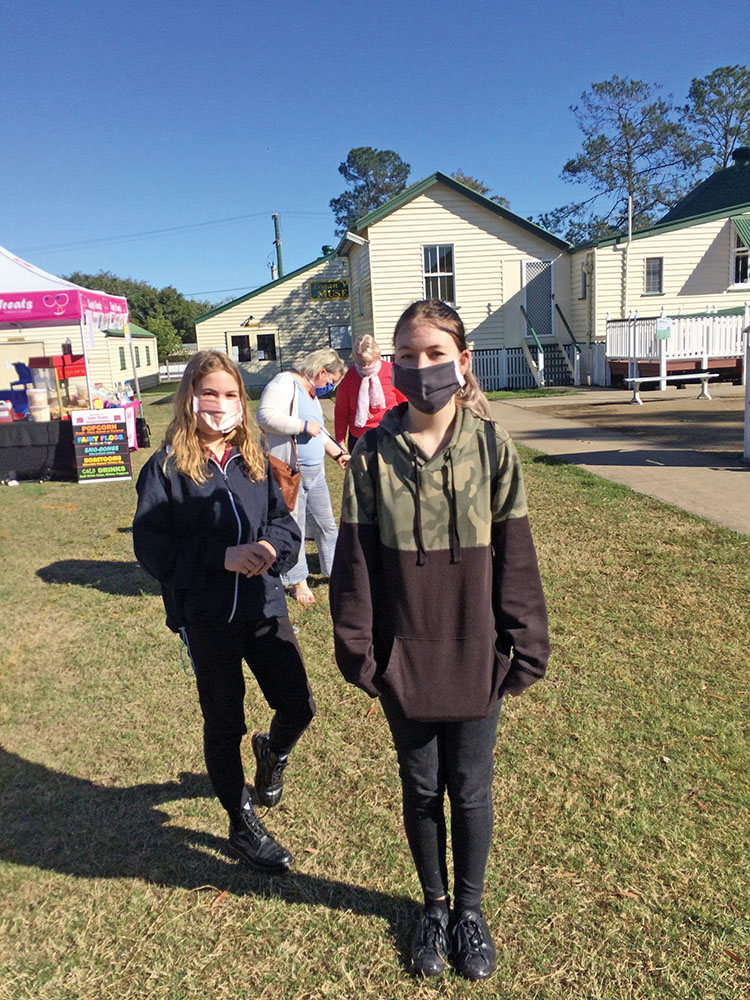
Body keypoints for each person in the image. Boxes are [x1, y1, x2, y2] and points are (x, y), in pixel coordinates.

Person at [330, 301, 549, 981]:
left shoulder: (492, 448)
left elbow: (515, 553)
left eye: (434, 353)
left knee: (471, 786)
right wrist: (361, 652)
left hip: (475, 651)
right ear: (392, 365)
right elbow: (355, 561)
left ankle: (471, 914)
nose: (421, 367)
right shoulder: (369, 456)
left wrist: (524, 644)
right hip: (405, 655)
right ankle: (433, 906)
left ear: (462, 361)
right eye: (407, 355)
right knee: (421, 785)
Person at [133, 350, 315, 873]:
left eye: (230, 394)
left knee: (298, 704)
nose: (220, 403)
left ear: (242, 400)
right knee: (224, 719)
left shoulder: (253, 458)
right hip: (206, 616)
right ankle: (241, 824)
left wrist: (272, 551)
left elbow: (284, 522)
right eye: (209, 392)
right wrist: (221, 557)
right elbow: (153, 548)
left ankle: (272, 753)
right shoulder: (165, 468)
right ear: (190, 397)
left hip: (264, 604)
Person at [256, 348, 348, 605]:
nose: (329, 388)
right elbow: (264, 417)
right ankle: (298, 582)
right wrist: (303, 426)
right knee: (293, 527)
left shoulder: (311, 395)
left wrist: (338, 454)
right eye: (330, 382)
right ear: (321, 372)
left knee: (326, 524)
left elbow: (321, 431)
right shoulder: (285, 384)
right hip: (290, 472)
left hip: (315, 473)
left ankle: (334, 572)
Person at [333, 333, 406, 453]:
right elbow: (341, 411)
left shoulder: (393, 372)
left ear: (377, 356)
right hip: (359, 438)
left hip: (389, 435)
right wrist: (340, 440)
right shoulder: (348, 378)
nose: (366, 366)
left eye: (369, 362)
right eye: (362, 363)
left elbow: (405, 403)